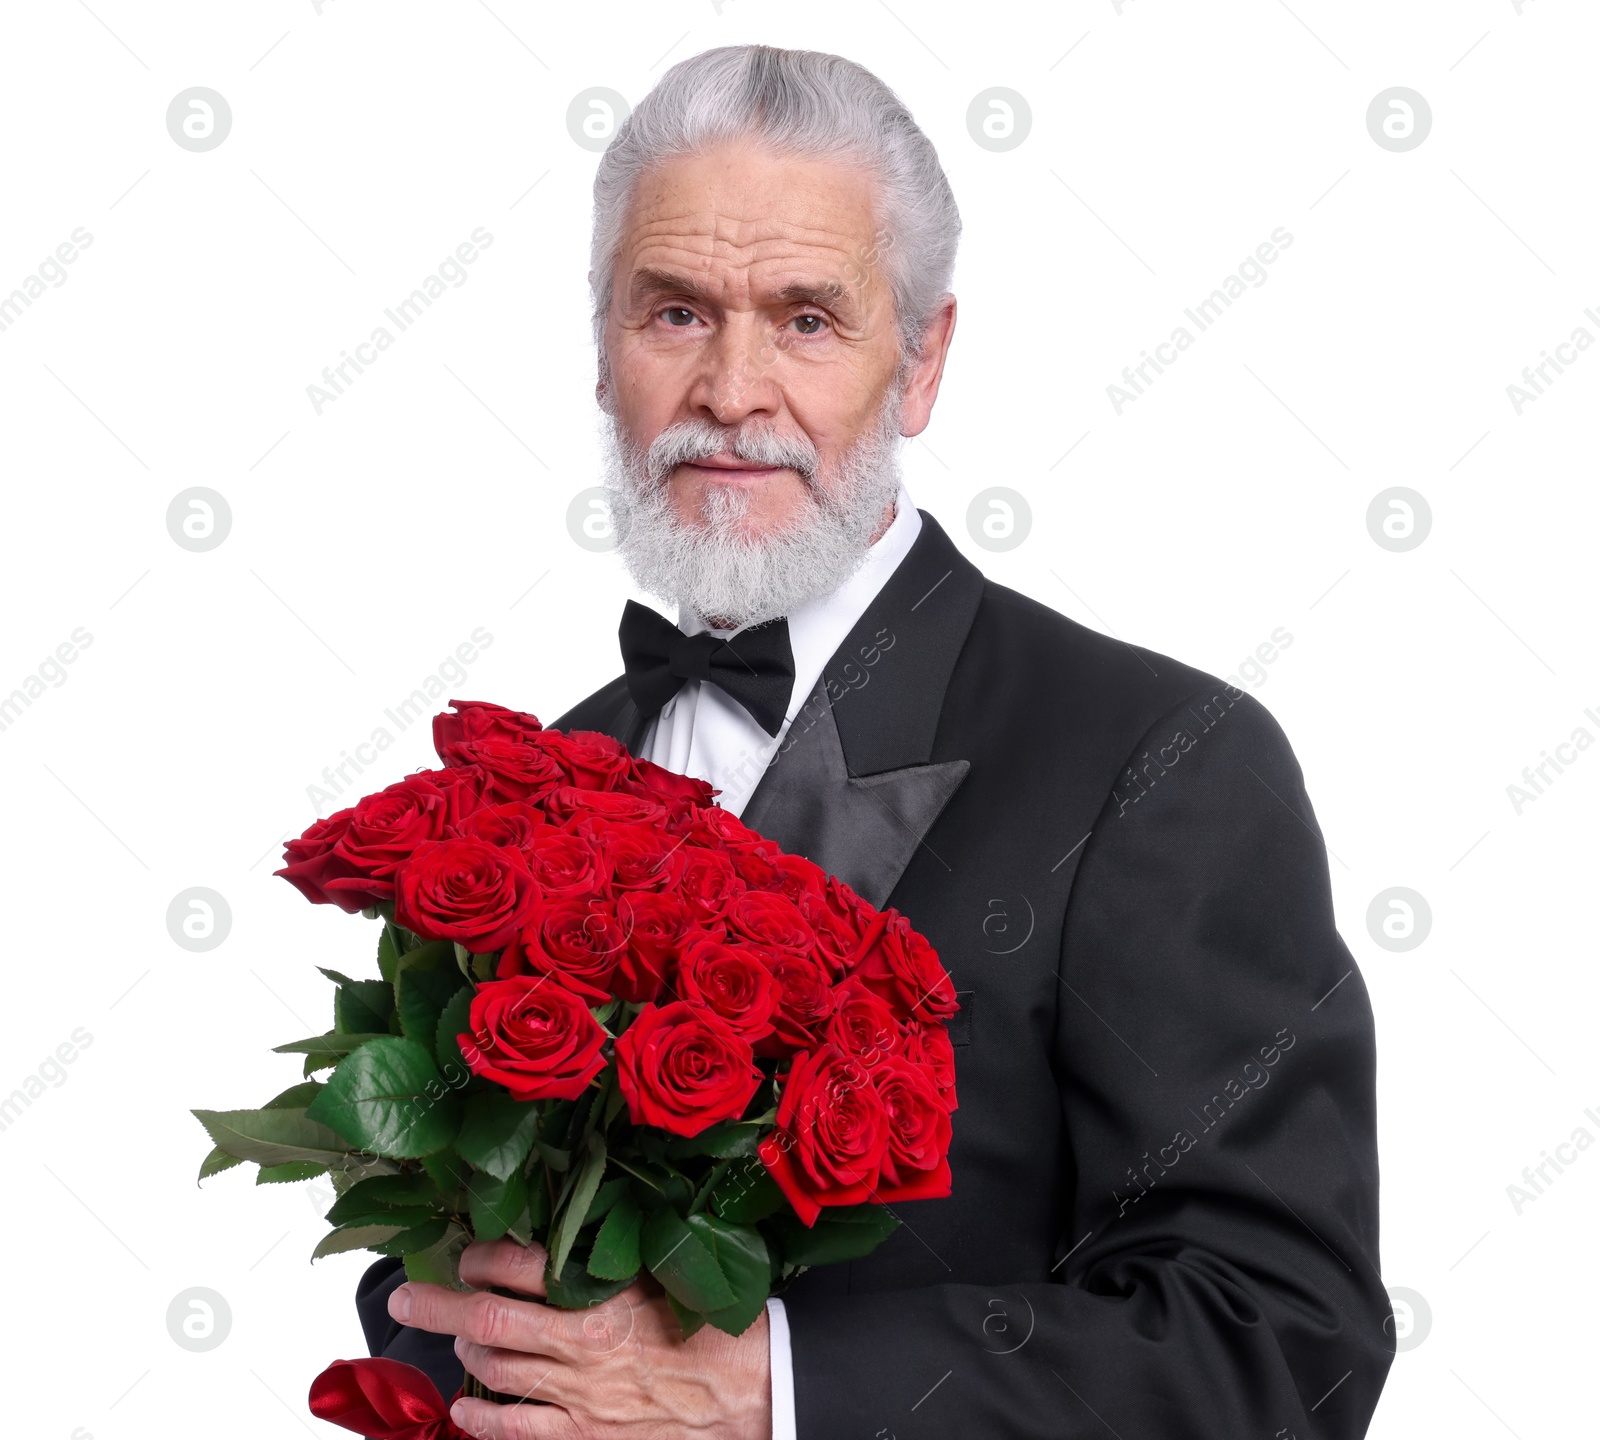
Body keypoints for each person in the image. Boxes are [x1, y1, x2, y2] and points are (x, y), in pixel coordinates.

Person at [355, 43, 1394, 1439]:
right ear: (604, 353)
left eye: (804, 320)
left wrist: (773, 1391)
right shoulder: (546, 776)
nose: (732, 391)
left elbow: (1281, 1341)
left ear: (921, 362)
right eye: (674, 315)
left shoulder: (1165, 760)